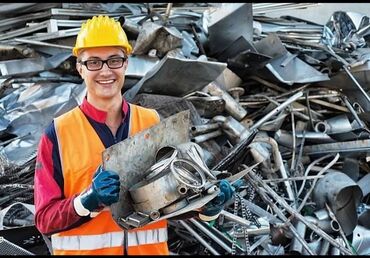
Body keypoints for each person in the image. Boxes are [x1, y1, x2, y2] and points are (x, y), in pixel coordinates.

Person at [34, 15, 233, 255]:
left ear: (126, 64)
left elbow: (173, 200)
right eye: (94, 62)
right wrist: (86, 201)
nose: (105, 71)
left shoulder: (152, 123)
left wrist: (208, 207)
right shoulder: (58, 133)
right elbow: (45, 220)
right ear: (80, 68)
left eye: (114, 60)